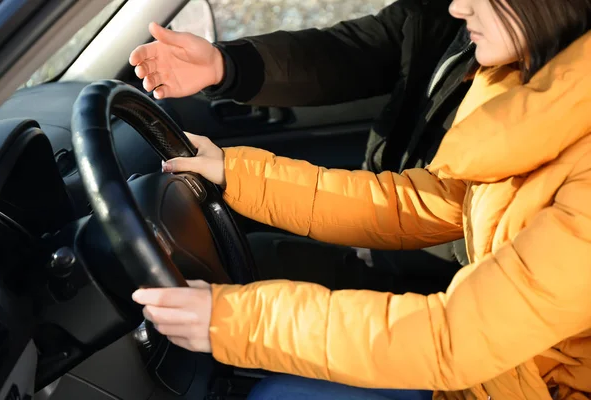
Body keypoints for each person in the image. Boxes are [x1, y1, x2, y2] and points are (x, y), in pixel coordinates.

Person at [129, 0, 591, 398]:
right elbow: (411, 205)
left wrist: (237, 322)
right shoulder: (522, 89)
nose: (456, 7)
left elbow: (457, 338)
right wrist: (238, 173)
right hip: (494, 374)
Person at [128, 0, 475, 296]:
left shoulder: (515, 96)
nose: (460, 6)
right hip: (389, 233)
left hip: (440, 282)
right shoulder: (440, 12)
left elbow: (437, 209)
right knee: (243, 261)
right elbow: (345, 52)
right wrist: (226, 66)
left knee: (234, 278)